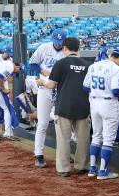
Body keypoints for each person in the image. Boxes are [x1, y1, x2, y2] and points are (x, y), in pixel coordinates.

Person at [37, 37, 90, 177]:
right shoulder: (86, 64)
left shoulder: (61, 63)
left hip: (64, 105)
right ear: (78, 48)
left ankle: (64, 168)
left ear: (64, 48)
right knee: (83, 138)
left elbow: (52, 84)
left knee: (63, 138)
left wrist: (42, 82)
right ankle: (82, 165)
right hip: (83, 105)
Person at [83, 49, 119, 180]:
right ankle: (103, 170)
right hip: (109, 104)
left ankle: (92, 168)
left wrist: (99, 90)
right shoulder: (117, 69)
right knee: (108, 138)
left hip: (95, 102)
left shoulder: (93, 65)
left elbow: (86, 87)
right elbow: (116, 92)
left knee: (96, 136)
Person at [28, 29, 66, 168]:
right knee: (43, 123)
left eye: (60, 43)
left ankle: (63, 155)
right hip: (45, 88)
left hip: (60, 89)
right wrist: (43, 72)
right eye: (56, 43)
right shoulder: (44, 47)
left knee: (62, 124)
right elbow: (32, 63)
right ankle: (38, 155)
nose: (58, 45)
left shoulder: (67, 51)